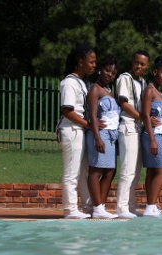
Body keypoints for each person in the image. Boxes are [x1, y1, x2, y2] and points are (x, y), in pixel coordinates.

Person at [56, 45, 96, 219]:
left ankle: (87, 207)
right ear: (80, 62)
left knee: (82, 171)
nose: (94, 65)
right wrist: (89, 125)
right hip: (71, 129)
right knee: (72, 171)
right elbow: (67, 110)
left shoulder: (83, 82)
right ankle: (70, 209)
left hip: (80, 130)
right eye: (91, 62)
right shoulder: (69, 82)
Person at [85, 54, 121, 219]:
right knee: (96, 170)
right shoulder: (95, 89)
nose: (110, 75)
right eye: (107, 70)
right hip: (100, 134)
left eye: (113, 73)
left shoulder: (109, 92)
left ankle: (101, 206)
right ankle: (97, 208)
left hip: (112, 135)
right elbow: (92, 115)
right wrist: (97, 138)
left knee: (110, 171)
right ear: (100, 69)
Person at [116, 50, 150, 219]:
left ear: (147, 66)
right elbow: (123, 103)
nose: (139, 66)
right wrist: (142, 117)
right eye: (136, 62)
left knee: (136, 172)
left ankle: (130, 206)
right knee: (127, 169)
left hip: (139, 128)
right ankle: (121, 207)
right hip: (128, 125)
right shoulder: (125, 78)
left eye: (142, 64)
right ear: (132, 62)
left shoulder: (143, 82)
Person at [140, 56, 162, 218]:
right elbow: (145, 115)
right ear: (155, 72)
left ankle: (151, 206)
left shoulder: (159, 93)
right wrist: (152, 140)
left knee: (152, 171)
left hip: (161, 135)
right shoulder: (149, 90)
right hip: (152, 135)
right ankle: (151, 206)